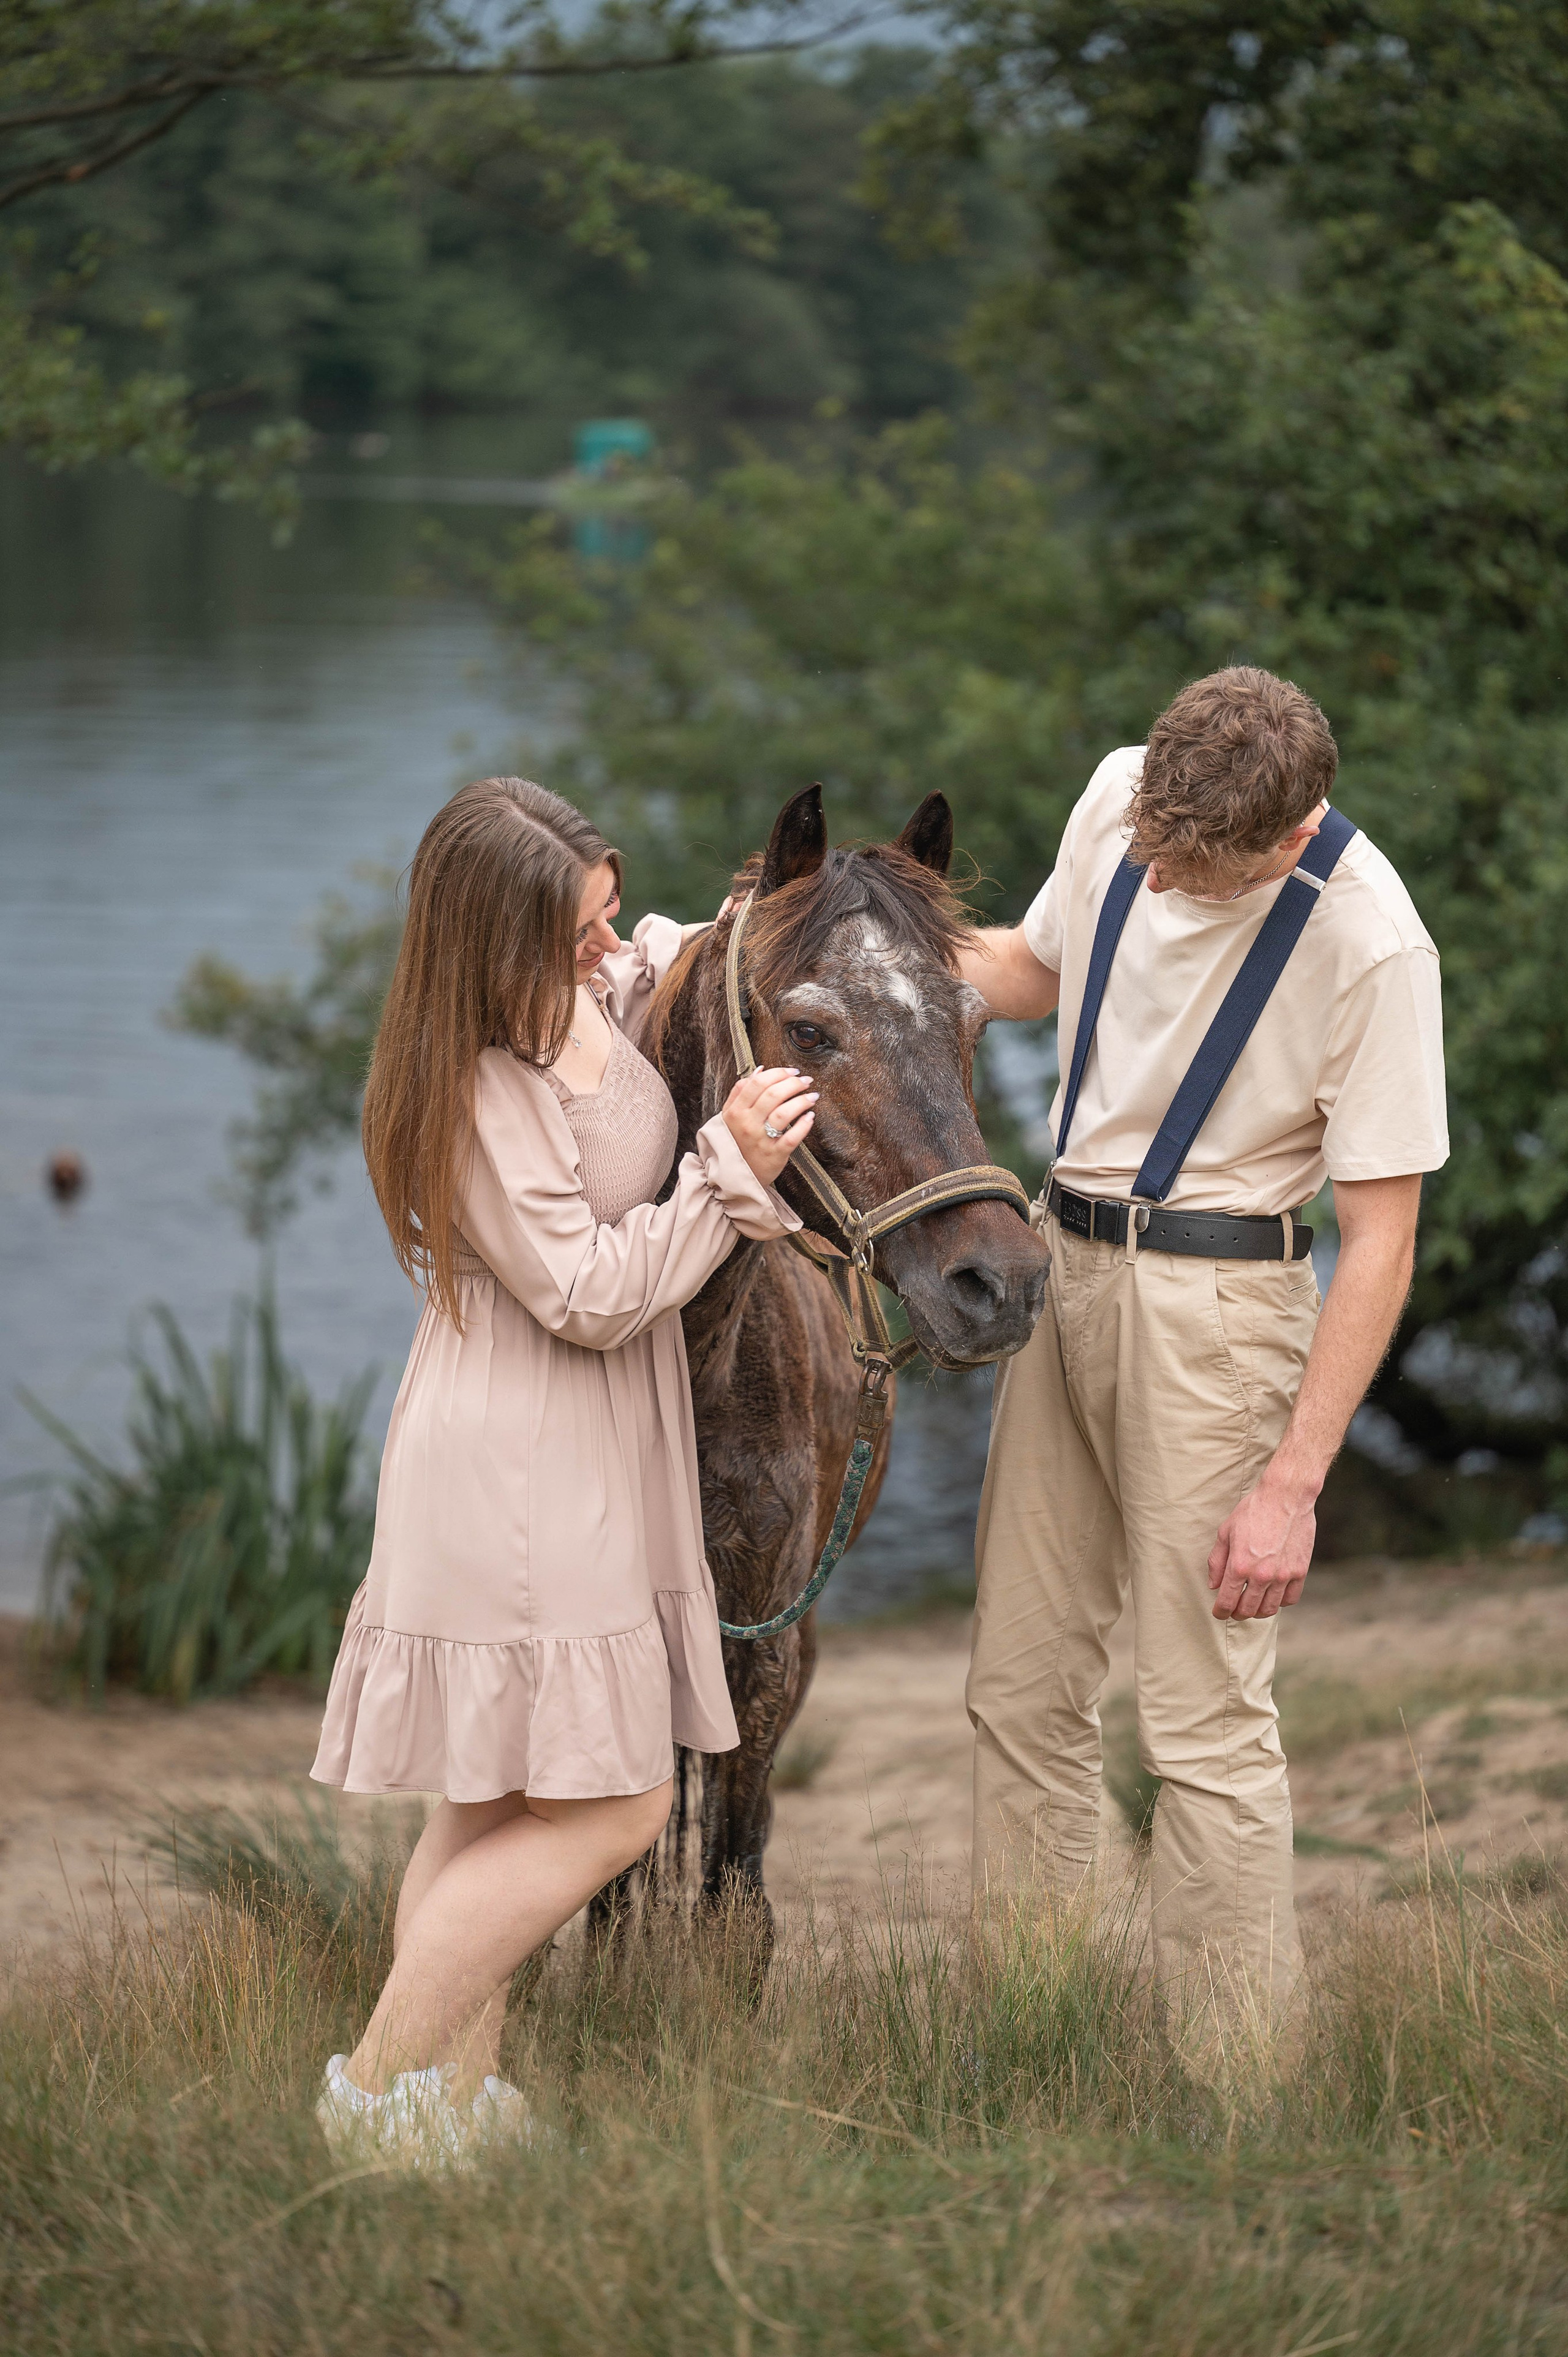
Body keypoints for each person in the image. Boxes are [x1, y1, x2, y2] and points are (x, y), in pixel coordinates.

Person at [310, 776, 816, 2165]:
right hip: (521, 1462)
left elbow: (681, 949)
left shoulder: (585, 985)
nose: (609, 953)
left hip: (590, 1439)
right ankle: (371, 2086)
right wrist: (723, 1170)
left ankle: (447, 2110)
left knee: (487, 1796)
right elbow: (589, 1293)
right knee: (618, 1804)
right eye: (580, 936)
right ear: (492, 946)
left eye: (606, 916)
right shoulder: (479, 1081)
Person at [956, 666, 1448, 2037]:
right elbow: (1028, 970)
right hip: (1060, 1274)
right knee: (1016, 1686)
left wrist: (1291, 1482)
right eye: (1148, 858)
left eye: (1195, 871)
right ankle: (1037, 2031)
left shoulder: (1373, 945)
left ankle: (1234, 2088)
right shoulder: (1123, 795)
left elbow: (1382, 1239)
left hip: (1219, 1321)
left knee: (1200, 1725)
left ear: (1291, 839)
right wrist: (852, 946)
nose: (1159, 883)